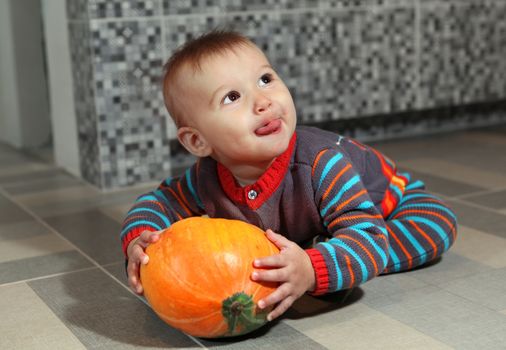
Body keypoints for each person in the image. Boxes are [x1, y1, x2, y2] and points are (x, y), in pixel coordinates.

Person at [121, 30, 457, 322]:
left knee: (435, 222)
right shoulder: (206, 177)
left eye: (265, 80)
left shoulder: (321, 164)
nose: (263, 101)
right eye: (233, 97)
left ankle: (331, 254)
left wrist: (312, 270)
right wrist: (144, 240)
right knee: (337, 245)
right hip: (328, 226)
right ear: (197, 140)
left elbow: (367, 232)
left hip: (388, 203)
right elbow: (157, 201)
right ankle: (327, 249)